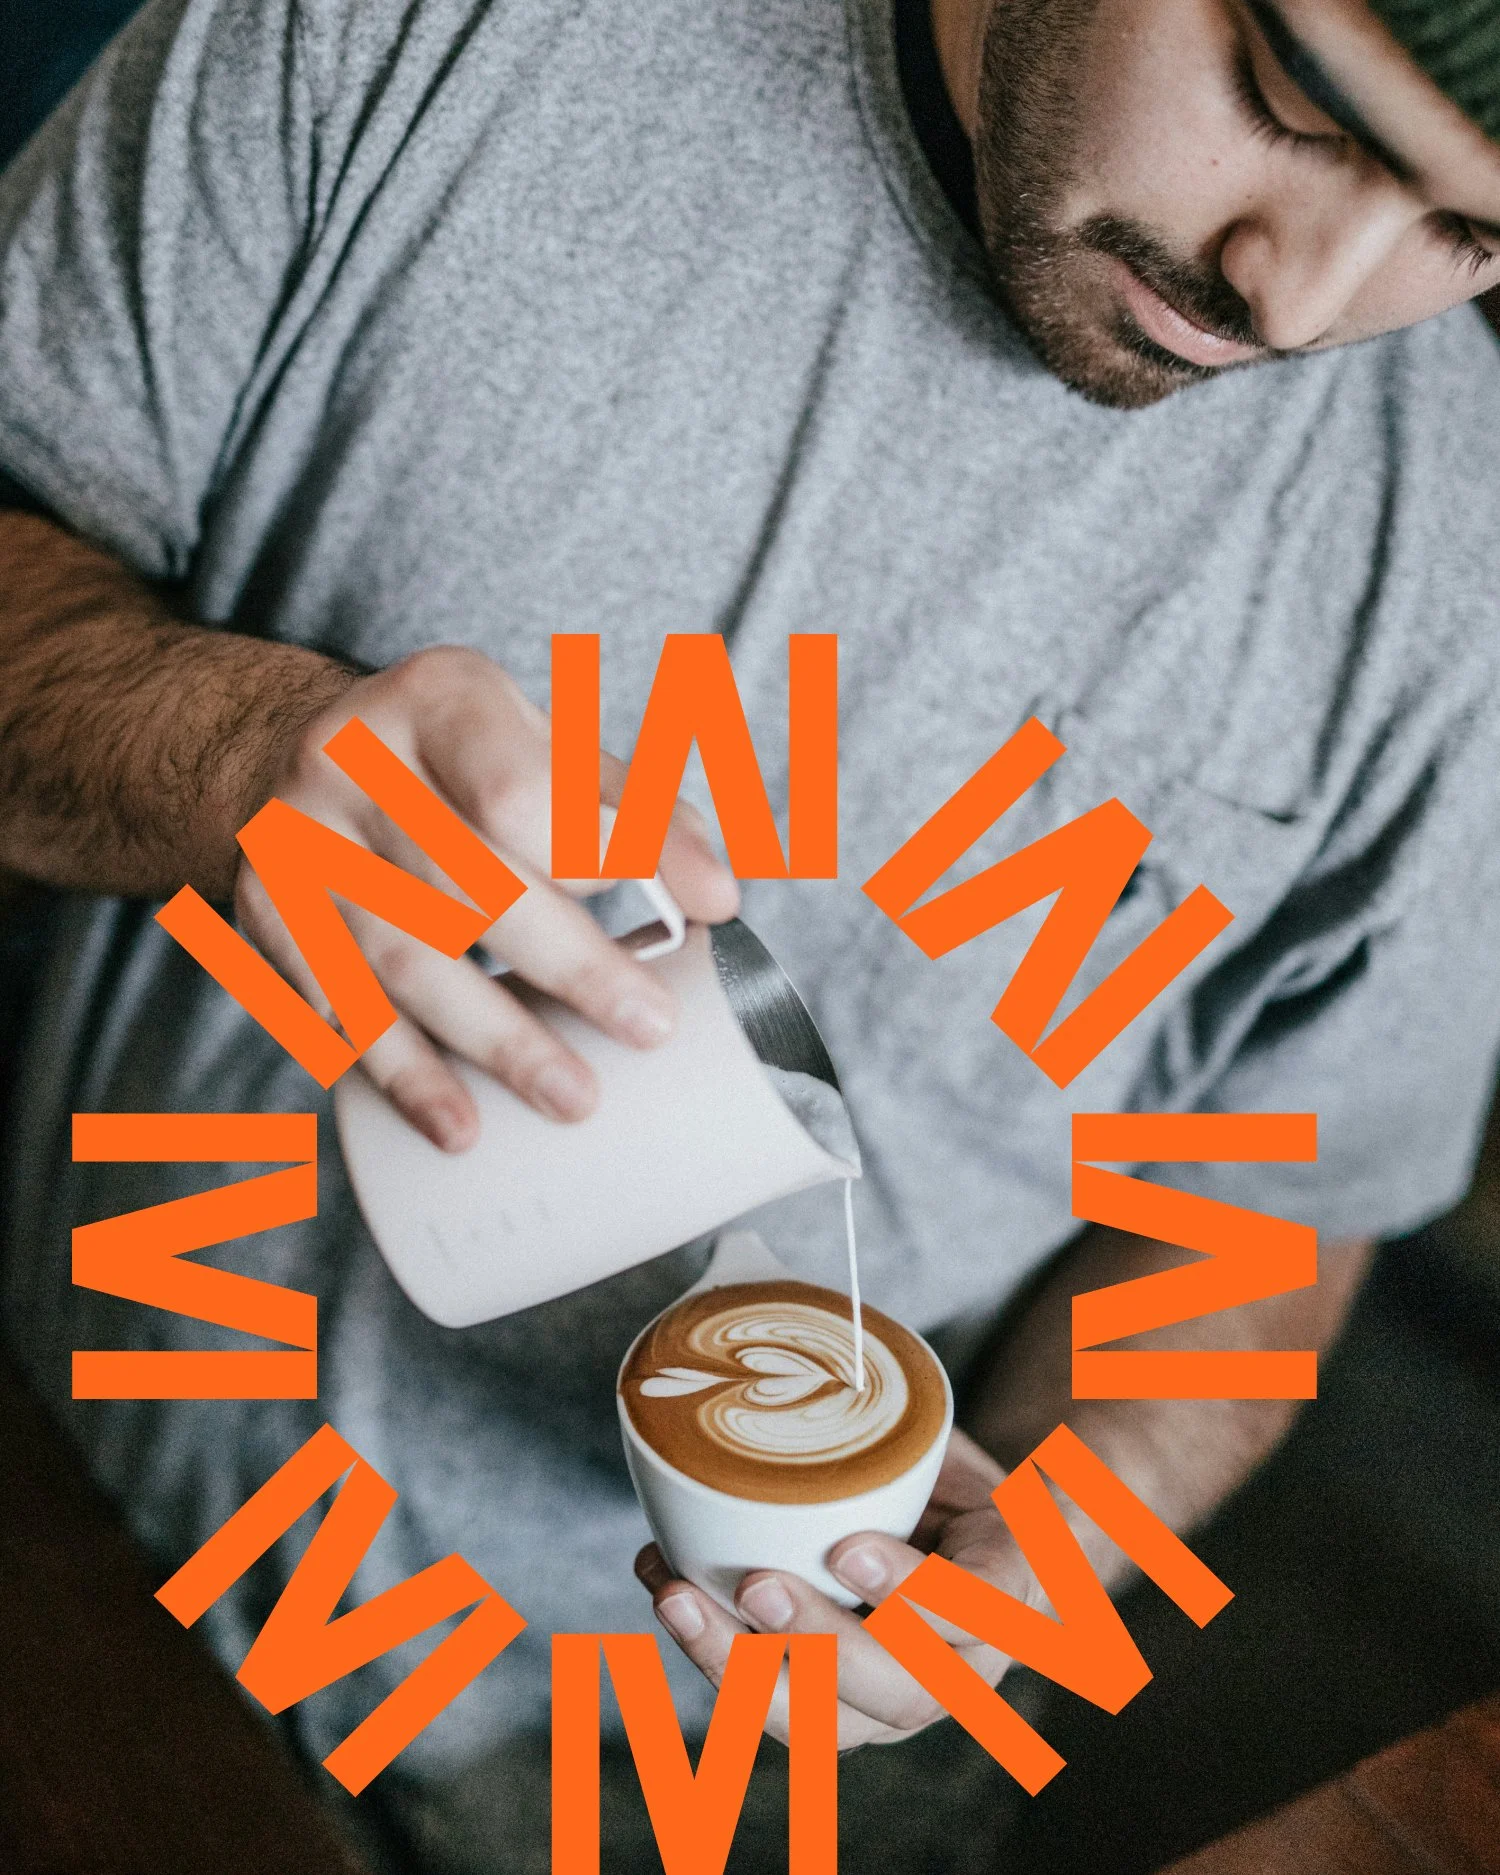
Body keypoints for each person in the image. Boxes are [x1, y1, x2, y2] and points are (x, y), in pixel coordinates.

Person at [1, 0, 1499, 1866]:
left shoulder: (1445, 559)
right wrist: (221, 751)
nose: (1299, 295)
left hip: (758, 1789)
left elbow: (1288, 1186)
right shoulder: (409, 42)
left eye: (1469, 231)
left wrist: (1059, 1542)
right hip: (89, 1540)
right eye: (1291, 104)